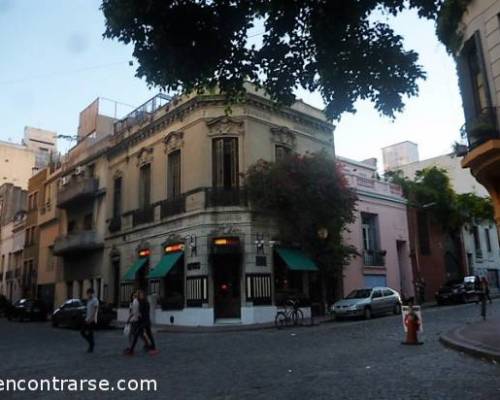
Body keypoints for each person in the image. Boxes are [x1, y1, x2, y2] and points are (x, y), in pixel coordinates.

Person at [138, 290, 159, 355]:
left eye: (141, 294)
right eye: (140, 295)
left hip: (145, 320)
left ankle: (150, 345)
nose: (140, 296)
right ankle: (150, 345)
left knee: (144, 332)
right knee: (146, 333)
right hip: (144, 320)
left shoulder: (145, 302)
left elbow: (144, 312)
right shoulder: (142, 302)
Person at [80, 288, 99, 353]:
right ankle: (91, 343)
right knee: (82, 332)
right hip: (87, 319)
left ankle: (91, 347)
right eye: (88, 293)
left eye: (90, 293)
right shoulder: (89, 300)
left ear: (92, 293)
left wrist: (92, 319)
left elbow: (95, 310)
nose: (88, 295)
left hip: (92, 320)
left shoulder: (95, 300)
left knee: (90, 333)